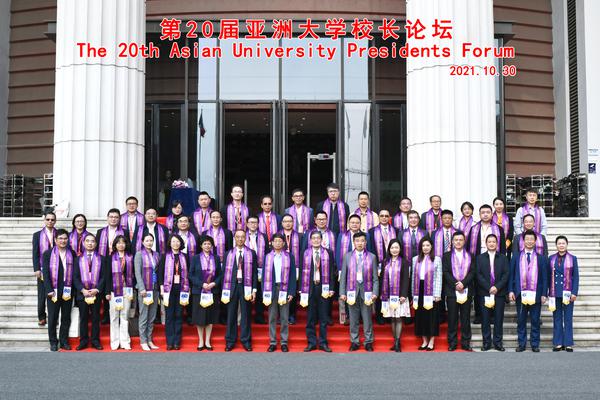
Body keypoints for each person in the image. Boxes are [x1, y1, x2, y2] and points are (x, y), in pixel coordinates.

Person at [509, 230, 549, 352]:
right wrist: (511, 290)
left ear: (535, 241)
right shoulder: (516, 256)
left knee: (535, 320)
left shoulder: (541, 258)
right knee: (521, 320)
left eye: (532, 239)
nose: (529, 241)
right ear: (523, 241)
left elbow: (545, 277)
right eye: (527, 239)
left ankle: (535, 344)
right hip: (520, 293)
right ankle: (521, 344)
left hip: (536, 294)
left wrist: (544, 294)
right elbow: (511, 275)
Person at [339, 232, 379, 352]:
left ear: (365, 242)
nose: (360, 243)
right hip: (351, 292)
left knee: (367, 319)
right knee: (353, 319)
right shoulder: (347, 256)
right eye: (357, 241)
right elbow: (343, 277)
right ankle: (354, 341)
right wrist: (342, 293)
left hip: (367, 292)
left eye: (362, 241)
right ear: (354, 242)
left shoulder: (372, 257)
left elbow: (375, 278)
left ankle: (368, 341)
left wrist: (375, 292)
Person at [467, 204, 506, 324]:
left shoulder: (498, 229)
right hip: (479, 261)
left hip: (495, 260)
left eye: (488, 212)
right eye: (483, 212)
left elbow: (502, 247)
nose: (485, 214)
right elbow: (468, 247)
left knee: (494, 286)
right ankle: (479, 315)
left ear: (491, 214)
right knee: (479, 288)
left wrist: (502, 261)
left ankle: (493, 315)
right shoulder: (474, 229)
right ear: (479, 214)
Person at [222, 230, 258, 351]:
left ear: (245, 238)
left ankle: (246, 340)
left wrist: (254, 290)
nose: (240, 239)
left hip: (246, 287)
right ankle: (230, 341)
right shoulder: (228, 253)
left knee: (246, 315)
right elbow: (224, 273)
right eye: (238, 237)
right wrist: (223, 290)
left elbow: (254, 273)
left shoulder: (251, 253)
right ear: (234, 238)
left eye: (242, 237)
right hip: (231, 287)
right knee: (231, 314)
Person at [300, 231, 335, 352]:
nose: (315, 240)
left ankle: (323, 343)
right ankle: (311, 342)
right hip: (309, 287)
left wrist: (331, 288)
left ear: (321, 240)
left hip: (323, 287)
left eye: (318, 238)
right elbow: (302, 271)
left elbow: (332, 271)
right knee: (310, 317)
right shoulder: (305, 253)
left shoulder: (328, 253)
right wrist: (301, 289)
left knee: (323, 317)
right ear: (310, 240)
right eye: (313, 238)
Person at [262, 234, 296, 352]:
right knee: (272, 317)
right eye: (275, 241)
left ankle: (284, 342)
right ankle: (272, 342)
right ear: (271, 243)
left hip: (284, 289)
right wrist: (264, 292)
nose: (277, 243)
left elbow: (292, 275)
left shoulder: (289, 257)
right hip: (271, 288)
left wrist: (291, 292)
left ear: (283, 243)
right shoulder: (267, 257)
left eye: (280, 241)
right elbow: (264, 275)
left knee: (284, 317)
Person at [41, 229, 74, 351]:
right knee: (53, 317)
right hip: (53, 291)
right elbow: (45, 273)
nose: (63, 241)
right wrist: (49, 289)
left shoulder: (72, 253)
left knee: (66, 317)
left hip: (68, 290)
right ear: (55, 240)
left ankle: (64, 341)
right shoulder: (48, 254)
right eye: (60, 238)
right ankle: (53, 342)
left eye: (65, 238)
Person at [442, 232, 475, 351]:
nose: (458, 242)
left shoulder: (470, 255)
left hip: (466, 290)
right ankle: (452, 342)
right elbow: (445, 272)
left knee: (465, 318)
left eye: (461, 240)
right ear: (452, 241)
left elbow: (472, 272)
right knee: (452, 318)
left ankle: (466, 342)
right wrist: (456, 284)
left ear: (464, 241)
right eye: (456, 240)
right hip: (452, 291)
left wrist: (463, 283)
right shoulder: (446, 256)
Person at [476, 234, 510, 351]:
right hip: (484, 293)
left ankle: (498, 342)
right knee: (485, 319)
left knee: (498, 319)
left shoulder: (503, 258)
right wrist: (488, 287)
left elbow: (506, 274)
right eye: (489, 242)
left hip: (499, 293)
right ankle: (486, 343)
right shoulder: (480, 258)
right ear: (486, 244)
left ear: (497, 243)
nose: (491, 244)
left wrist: (497, 287)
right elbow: (478, 275)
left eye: (493, 242)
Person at [190, 236, 222, 351]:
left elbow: (220, 274)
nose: (207, 246)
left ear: (212, 245)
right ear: (201, 246)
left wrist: (214, 283)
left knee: (210, 317)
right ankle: (201, 341)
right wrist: (201, 284)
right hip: (199, 291)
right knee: (199, 318)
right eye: (205, 244)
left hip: (212, 291)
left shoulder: (216, 258)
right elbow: (191, 275)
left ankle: (207, 341)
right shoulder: (195, 258)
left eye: (209, 244)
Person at [158, 235, 190, 350]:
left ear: (180, 243)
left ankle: (177, 342)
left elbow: (189, 273)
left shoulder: (185, 257)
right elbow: (160, 273)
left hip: (182, 289)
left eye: (177, 241)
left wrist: (189, 289)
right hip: (168, 290)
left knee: (179, 315)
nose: (175, 243)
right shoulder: (164, 256)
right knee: (169, 316)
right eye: (173, 241)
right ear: (170, 243)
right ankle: (169, 342)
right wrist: (161, 288)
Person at [74, 234, 105, 351]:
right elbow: (75, 277)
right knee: (83, 318)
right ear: (83, 243)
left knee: (96, 318)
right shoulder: (78, 259)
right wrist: (82, 290)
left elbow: (104, 276)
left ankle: (95, 341)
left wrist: (97, 289)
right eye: (87, 241)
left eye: (92, 241)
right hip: (83, 294)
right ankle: (83, 341)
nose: (90, 243)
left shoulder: (102, 259)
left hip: (96, 294)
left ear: (96, 244)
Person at [549, 235, 579, 352]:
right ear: (556, 245)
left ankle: (568, 343)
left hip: (568, 292)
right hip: (555, 291)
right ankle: (558, 343)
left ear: (567, 244)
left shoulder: (573, 258)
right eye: (559, 243)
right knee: (557, 318)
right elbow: (548, 275)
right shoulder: (551, 258)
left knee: (568, 318)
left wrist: (574, 292)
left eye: (563, 243)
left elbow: (575, 276)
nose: (561, 245)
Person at [103, 235, 134, 351]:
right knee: (114, 317)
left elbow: (133, 274)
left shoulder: (130, 257)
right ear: (115, 245)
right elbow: (107, 276)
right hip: (114, 290)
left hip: (127, 289)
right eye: (119, 243)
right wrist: (107, 291)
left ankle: (125, 341)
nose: (121, 245)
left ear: (126, 244)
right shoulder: (110, 258)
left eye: (123, 242)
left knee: (125, 316)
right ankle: (115, 342)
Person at [412, 237, 442, 351]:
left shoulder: (437, 259)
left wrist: (437, 294)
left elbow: (439, 277)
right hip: (419, 290)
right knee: (421, 316)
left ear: (431, 247)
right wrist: (413, 294)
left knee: (432, 316)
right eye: (423, 245)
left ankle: (431, 341)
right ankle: (424, 340)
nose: (425, 247)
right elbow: (413, 278)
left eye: (427, 245)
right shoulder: (415, 259)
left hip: (431, 290)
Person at [380, 239, 410, 352]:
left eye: (397, 247)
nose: (394, 250)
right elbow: (382, 278)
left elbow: (406, 279)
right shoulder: (385, 262)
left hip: (400, 295)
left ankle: (398, 342)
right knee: (392, 318)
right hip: (388, 294)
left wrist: (404, 295)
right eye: (392, 248)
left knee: (398, 318)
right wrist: (382, 293)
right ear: (389, 249)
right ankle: (395, 341)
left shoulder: (404, 262)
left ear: (400, 249)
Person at [368, 209, 397, 324]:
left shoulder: (396, 230)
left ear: (389, 217)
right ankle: (380, 316)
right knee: (380, 289)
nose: (384, 218)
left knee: (392, 288)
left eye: (386, 216)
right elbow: (370, 249)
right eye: (382, 216)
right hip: (378, 266)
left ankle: (390, 315)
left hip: (393, 264)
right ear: (379, 217)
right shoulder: (371, 231)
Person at [134, 233, 160, 351]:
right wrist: (141, 288)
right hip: (144, 290)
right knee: (144, 315)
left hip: (154, 288)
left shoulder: (156, 254)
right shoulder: (139, 254)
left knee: (152, 316)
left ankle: (149, 340)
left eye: (151, 240)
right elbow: (137, 273)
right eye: (147, 240)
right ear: (143, 242)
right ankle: (143, 340)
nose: (149, 242)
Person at [32, 211, 57, 327]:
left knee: (54, 294)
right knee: (42, 295)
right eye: (48, 219)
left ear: (55, 221)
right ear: (44, 220)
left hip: (56, 269)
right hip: (42, 269)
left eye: (52, 220)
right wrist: (36, 268)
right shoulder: (37, 235)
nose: (50, 221)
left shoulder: (59, 234)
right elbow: (35, 253)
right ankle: (41, 317)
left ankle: (53, 317)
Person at [278, 214, 301, 325]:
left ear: (293, 223)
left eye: (290, 221)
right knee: (280, 290)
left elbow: (303, 251)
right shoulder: (277, 236)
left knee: (292, 290)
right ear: (282, 223)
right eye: (285, 221)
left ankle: (292, 315)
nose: (288, 223)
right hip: (280, 266)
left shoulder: (300, 236)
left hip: (295, 266)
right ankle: (281, 316)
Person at [245, 216, 268, 324]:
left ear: (258, 224)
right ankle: (247, 316)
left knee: (259, 292)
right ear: (247, 224)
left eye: (255, 222)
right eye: (251, 222)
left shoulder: (263, 236)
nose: (253, 224)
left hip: (260, 268)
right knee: (247, 291)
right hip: (246, 268)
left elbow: (267, 252)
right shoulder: (242, 235)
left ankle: (259, 316)